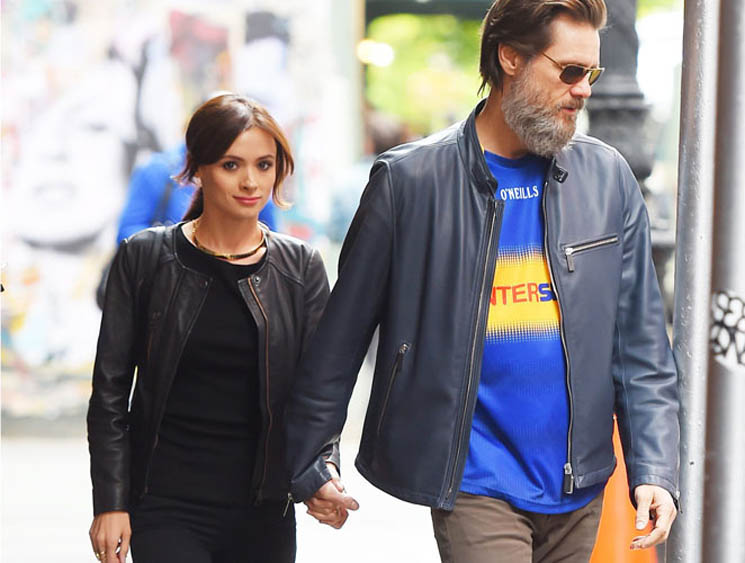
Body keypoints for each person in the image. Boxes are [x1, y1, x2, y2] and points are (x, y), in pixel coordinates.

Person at [284, 0, 679, 560]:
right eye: (569, 71)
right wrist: (313, 457)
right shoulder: (410, 181)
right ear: (510, 58)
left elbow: (641, 347)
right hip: (475, 480)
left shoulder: (609, 178)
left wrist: (655, 469)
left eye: (591, 74)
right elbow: (340, 338)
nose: (583, 90)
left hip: (578, 483)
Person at [87, 93, 336, 563]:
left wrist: (321, 472)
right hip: (165, 504)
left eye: (264, 165)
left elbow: (318, 391)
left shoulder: (299, 267)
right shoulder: (145, 258)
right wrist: (111, 501)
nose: (250, 181)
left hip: (264, 510)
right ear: (198, 168)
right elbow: (110, 393)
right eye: (230, 165)